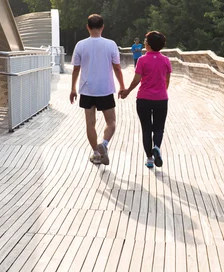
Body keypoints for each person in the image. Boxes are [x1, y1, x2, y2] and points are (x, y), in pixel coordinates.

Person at [70, 14, 125, 165]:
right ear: (102, 27)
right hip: (105, 89)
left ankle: (96, 153)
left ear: (87, 27)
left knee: (90, 123)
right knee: (111, 122)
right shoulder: (111, 44)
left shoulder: (80, 45)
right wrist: (122, 86)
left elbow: (76, 69)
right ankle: (104, 144)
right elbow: (117, 68)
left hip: (87, 90)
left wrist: (73, 89)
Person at [120, 31, 172, 169]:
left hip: (143, 99)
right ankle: (156, 147)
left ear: (148, 44)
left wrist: (127, 91)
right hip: (161, 99)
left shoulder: (142, 60)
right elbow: (167, 80)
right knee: (159, 128)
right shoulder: (166, 60)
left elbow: (137, 79)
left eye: (145, 40)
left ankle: (149, 159)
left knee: (146, 129)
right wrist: (161, 91)